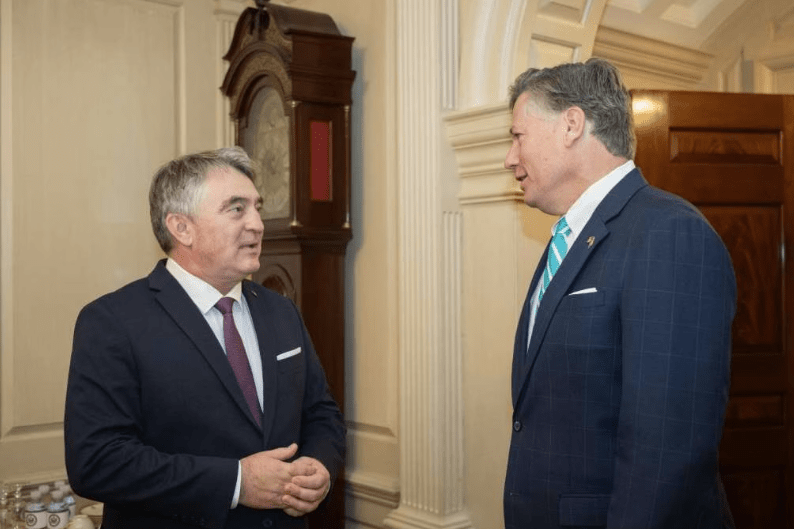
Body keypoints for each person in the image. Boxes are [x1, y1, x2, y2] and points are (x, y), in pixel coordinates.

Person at [503, 58, 736, 528]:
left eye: (518, 136)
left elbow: (666, 449)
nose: (509, 158)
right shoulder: (570, 238)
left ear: (571, 125)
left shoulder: (670, 233)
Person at [64, 147, 345, 529]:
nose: (257, 224)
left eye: (257, 208)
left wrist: (320, 467)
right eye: (236, 209)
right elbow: (97, 461)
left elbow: (321, 413)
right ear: (182, 228)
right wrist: (236, 483)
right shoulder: (112, 321)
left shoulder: (281, 311)